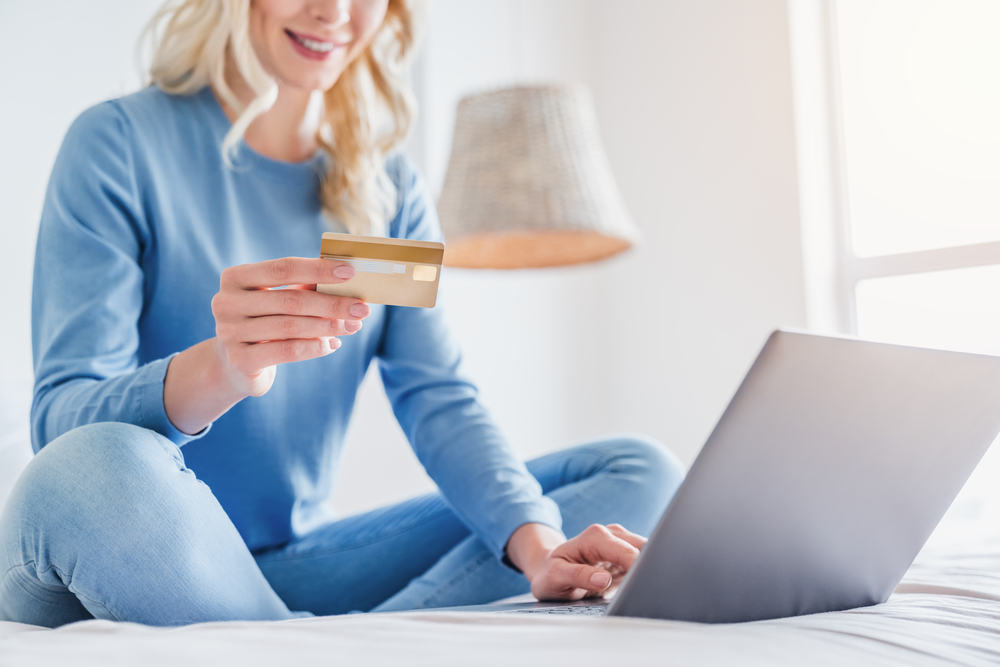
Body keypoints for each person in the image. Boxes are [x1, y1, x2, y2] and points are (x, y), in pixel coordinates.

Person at [0, 0, 684, 628]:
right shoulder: (118, 143)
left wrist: (538, 547)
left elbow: (439, 397)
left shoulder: (387, 188)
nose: (333, 12)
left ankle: (319, 641)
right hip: (135, 539)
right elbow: (64, 419)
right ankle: (310, 640)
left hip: (295, 562)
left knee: (641, 470)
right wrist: (223, 367)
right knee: (85, 465)